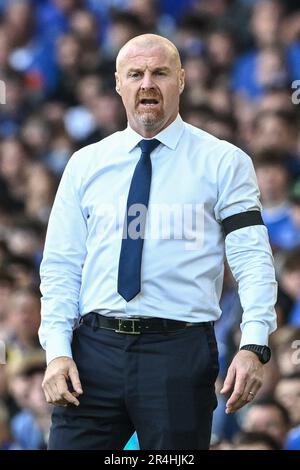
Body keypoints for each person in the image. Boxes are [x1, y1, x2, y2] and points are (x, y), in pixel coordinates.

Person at [39, 34, 277, 450]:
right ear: (118, 84)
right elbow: (61, 266)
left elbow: (252, 259)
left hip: (178, 353)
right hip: (92, 352)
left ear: (181, 80)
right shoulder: (85, 165)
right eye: (135, 73)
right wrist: (57, 351)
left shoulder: (224, 161)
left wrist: (254, 343)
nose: (147, 83)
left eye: (160, 72)